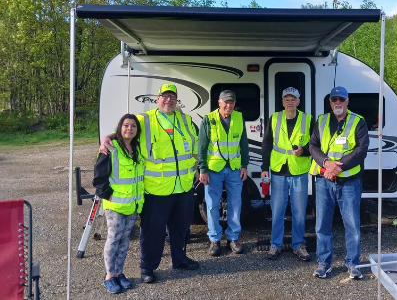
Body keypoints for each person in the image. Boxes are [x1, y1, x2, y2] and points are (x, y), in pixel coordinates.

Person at [100, 83, 199, 284]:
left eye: (172, 96)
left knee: (181, 227)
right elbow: (123, 131)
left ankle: (179, 259)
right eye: (165, 96)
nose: (168, 100)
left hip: (184, 186)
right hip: (156, 188)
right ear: (158, 98)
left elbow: (194, 145)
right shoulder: (144, 119)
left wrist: (196, 167)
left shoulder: (186, 119)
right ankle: (148, 267)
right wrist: (107, 137)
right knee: (153, 230)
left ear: (176, 99)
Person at [309, 86, 369, 279]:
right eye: (334, 99)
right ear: (330, 102)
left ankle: (353, 265)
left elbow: (362, 149)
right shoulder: (322, 120)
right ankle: (324, 264)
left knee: (352, 225)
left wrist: (339, 166)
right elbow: (313, 145)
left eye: (341, 99)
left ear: (347, 101)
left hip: (349, 181)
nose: (337, 103)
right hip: (324, 181)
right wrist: (326, 164)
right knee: (322, 225)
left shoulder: (358, 121)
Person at [93, 114, 144, 294]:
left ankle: (119, 272)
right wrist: (108, 196)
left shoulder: (138, 148)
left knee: (124, 241)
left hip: (133, 205)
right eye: (126, 125)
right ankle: (109, 276)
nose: (129, 129)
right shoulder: (110, 147)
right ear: (120, 128)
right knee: (113, 239)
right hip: (115, 205)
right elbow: (99, 178)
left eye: (133, 126)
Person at [261, 87, 314, 261]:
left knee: (299, 211)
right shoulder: (275, 118)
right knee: (277, 210)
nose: (290, 102)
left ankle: (298, 245)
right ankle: (275, 245)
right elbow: (267, 143)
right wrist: (264, 167)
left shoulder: (308, 119)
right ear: (282, 102)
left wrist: (304, 151)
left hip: (299, 170)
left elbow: (315, 144)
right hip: (278, 171)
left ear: (299, 102)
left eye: (293, 99)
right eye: (287, 99)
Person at [198, 90, 249, 257]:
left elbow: (243, 143)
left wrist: (244, 165)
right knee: (212, 205)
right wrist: (203, 169)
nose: (229, 105)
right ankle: (214, 240)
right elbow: (202, 147)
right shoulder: (209, 119)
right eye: (226, 102)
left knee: (236, 204)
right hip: (214, 170)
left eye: (231, 102)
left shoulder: (239, 117)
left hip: (234, 168)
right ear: (219, 102)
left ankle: (233, 238)